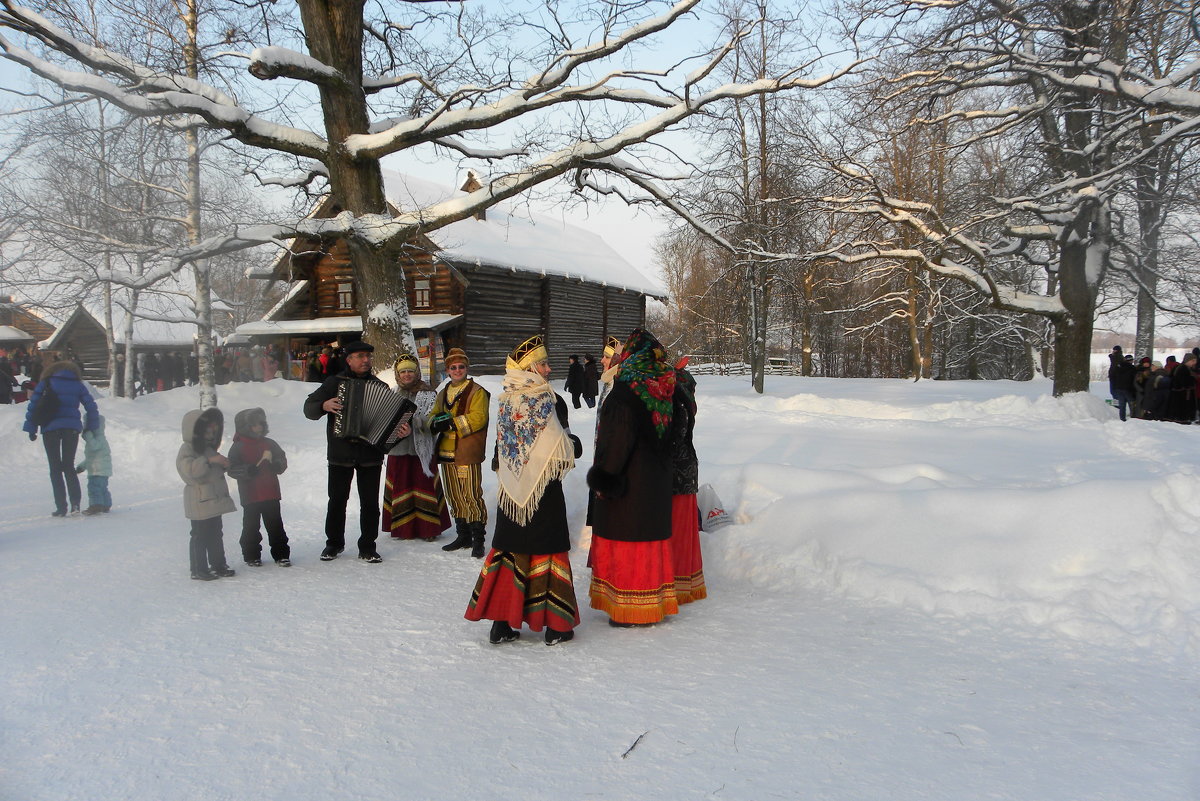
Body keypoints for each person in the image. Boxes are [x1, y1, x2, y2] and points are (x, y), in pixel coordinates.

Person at [465, 335, 583, 645]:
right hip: (543, 493)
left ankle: (503, 622)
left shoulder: (505, 400)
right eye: (542, 364)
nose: (547, 369)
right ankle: (556, 625)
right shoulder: (551, 400)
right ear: (529, 369)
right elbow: (566, 446)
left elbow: (501, 449)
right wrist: (573, 448)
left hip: (513, 491)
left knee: (510, 549)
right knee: (547, 551)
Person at [586, 329, 680, 627]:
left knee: (628, 544)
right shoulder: (665, 388)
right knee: (648, 543)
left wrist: (605, 479)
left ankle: (630, 609)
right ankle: (653, 602)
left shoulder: (625, 393)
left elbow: (616, 443)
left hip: (629, 484)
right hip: (656, 482)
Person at [304, 341, 389, 563]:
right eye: (360, 356)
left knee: (370, 503)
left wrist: (401, 430)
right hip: (340, 454)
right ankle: (333, 544)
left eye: (368, 356)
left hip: (370, 456)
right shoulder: (334, 383)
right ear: (349, 359)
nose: (366, 360)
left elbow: (390, 425)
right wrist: (323, 406)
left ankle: (368, 546)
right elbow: (309, 408)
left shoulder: (380, 386)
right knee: (337, 500)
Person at [382, 353, 450, 541]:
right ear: (397, 374)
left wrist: (414, 424)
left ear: (417, 372)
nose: (406, 375)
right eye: (402, 371)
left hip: (422, 450)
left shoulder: (429, 393)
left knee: (423, 486)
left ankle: (428, 528)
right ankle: (402, 528)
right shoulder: (392, 393)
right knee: (401, 486)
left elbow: (434, 418)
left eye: (410, 371)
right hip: (399, 449)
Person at [430, 348, 491, 557]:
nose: (457, 370)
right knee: (454, 495)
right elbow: (433, 414)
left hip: (466, 450)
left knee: (471, 494)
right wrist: (431, 423)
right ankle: (462, 534)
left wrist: (451, 422)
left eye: (461, 367)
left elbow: (478, 417)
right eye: (453, 367)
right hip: (447, 452)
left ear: (467, 368)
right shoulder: (444, 391)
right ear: (447, 370)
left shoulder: (477, 391)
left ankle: (478, 539)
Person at [23, 359, 99, 516]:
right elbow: (91, 406)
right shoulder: (77, 384)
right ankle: (76, 504)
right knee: (68, 466)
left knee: (55, 469)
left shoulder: (47, 382)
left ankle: (61, 507)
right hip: (71, 429)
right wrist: (91, 426)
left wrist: (32, 428)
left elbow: (34, 405)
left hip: (50, 429)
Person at [176, 407, 237, 581]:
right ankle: (198, 568)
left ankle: (218, 564)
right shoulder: (187, 450)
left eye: (213, 431)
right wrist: (210, 460)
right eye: (208, 431)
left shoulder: (208, 449)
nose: (211, 434)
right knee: (199, 535)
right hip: (199, 500)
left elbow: (214, 470)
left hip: (213, 501)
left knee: (216, 534)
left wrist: (224, 464)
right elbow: (189, 471)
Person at [227, 408, 291, 567]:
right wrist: (247, 470)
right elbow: (232, 468)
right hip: (250, 495)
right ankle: (251, 555)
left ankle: (281, 554)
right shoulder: (238, 447)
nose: (259, 427)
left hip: (271, 493)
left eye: (261, 424)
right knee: (251, 527)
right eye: (255, 425)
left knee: (275, 525)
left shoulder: (270, 443)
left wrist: (276, 465)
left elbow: (281, 460)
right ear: (246, 426)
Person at [668, 358, 707, 604]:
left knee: (678, 530)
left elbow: (673, 438)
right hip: (687, 472)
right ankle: (685, 582)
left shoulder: (677, 404)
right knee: (685, 530)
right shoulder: (686, 402)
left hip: (677, 475)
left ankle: (677, 582)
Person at [75, 414, 113, 515]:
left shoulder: (99, 439)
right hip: (102, 471)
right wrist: (81, 467)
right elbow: (91, 458)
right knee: (102, 488)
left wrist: (87, 435)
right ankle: (106, 504)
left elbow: (94, 446)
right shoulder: (101, 439)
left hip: (98, 471)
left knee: (94, 488)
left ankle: (96, 506)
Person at [597, 335, 622, 408]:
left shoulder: (619, 391)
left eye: (607, 357)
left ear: (616, 361)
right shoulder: (610, 383)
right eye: (603, 357)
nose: (602, 361)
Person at [1110, 354, 1136, 422]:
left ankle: (1122, 419)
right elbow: (1133, 379)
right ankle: (1133, 419)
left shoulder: (1118, 367)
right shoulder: (1132, 368)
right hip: (1128, 389)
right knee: (1132, 404)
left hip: (1118, 388)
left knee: (1122, 406)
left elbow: (1113, 376)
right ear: (1131, 361)